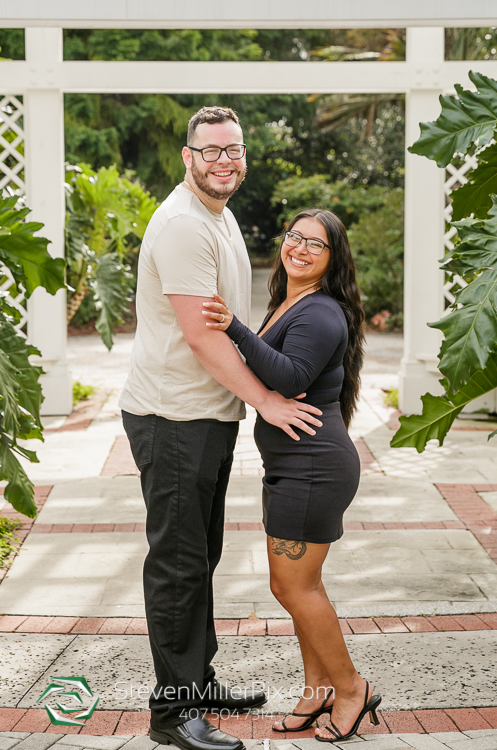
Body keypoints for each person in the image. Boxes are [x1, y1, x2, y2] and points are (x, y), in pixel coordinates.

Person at [119, 107, 323, 750]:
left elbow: (234, 322)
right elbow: (204, 340)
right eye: (209, 151)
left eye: (232, 150)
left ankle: (197, 684)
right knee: (178, 565)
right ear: (188, 156)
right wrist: (267, 399)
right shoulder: (183, 224)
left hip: (204, 415)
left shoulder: (220, 214)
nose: (222, 161)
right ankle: (173, 714)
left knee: (199, 556)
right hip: (172, 415)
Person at [202, 208, 382, 744]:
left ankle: (350, 689)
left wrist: (231, 323)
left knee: (291, 585)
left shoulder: (322, 312)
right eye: (294, 237)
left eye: (316, 244)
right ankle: (317, 691)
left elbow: (291, 376)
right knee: (302, 585)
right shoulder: (292, 301)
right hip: (293, 466)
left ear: (333, 258)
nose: (300, 248)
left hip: (313, 468)